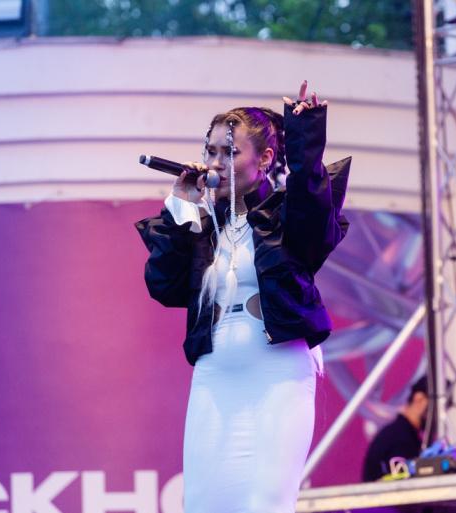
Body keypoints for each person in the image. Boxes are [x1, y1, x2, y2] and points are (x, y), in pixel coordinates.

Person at [135, 81, 350, 513]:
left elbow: (312, 208)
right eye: (211, 151)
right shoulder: (204, 225)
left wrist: (304, 134)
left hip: (276, 374)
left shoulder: (283, 219)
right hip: (215, 375)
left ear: (265, 159)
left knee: (264, 502)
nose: (216, 162)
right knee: (204, 502)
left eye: (229, 152)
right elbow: (164, 285)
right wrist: (181, 206)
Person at [362, 376, 429, 482]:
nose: (438, 416)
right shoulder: (400, 438)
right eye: (435, 407)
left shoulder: (404, 434)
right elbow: (400, 485)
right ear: (419, 400)